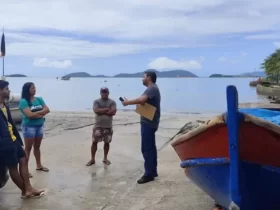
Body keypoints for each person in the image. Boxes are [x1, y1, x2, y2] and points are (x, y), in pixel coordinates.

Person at [0, 80, 44, 198]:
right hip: (4, 143)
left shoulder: (5, 105)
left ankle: (28, 188)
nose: (8, 90)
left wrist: (18, 141)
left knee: (23, 159)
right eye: (6, 89)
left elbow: (11, 124)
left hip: (13, 139)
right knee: (13, 167)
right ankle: (25, 190)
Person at [121, 71, 161, 184]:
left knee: (146, 148)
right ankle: (153, 171)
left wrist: (128, 102)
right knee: (151, 148)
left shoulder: (152, 88)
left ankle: (148, 174)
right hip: (150, 122)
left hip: (149, 123)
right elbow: (143, 100)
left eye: (143, 77)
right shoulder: (153, 88)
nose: (142, 79)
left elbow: (141, 100)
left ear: (149, 77)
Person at [19, 82, 50, 177]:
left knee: (37, 146)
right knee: (28, 149)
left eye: (35, 88)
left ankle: (39, 165)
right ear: (27, 89)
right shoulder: (24, 101)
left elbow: (47, 110)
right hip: (29, 127)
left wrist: (36, 115)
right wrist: (41, 114)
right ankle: (25, 170)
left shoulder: (39, 99)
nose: (35, 89)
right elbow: (29, 115)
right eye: (32, 88)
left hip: (39, 126)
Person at [86, 87, 117, 166]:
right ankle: (92, 159)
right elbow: (96, 110)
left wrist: (101, 111)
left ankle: (105, 158)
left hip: (108, 126)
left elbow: (113, 112)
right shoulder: (96, 101)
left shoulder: (112, 102)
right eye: (102, 92)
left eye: (105, 92)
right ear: (100, 93)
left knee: (107, 143)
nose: (104, 93)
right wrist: (107, 109)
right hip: (98, 126)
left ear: (108, 93)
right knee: (94, 142)